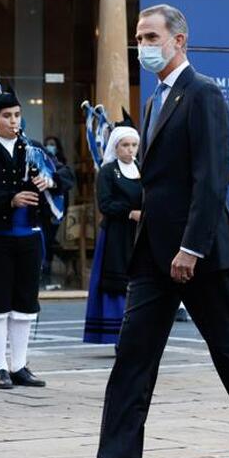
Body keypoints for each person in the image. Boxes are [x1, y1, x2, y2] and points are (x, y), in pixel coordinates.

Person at [65, 4, 229, 458]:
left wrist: (192, 247)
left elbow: (211, 179)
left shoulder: (202, 93)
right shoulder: (154, 99)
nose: (142, 44)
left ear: (179, 39)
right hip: (152, 253)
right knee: (133, 353)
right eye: (139, 37)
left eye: (150, 35)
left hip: (198, 252)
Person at [0, 88, 74, 389]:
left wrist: (50, 180)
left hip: (30, 236)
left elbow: (67, 176)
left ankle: (19, 366)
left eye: (16, 115)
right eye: (6, 116)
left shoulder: (33, 149)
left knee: (26, 302)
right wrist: (9, 199)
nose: (13, 121)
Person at [83, 125, 142, 346]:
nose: (130, 150)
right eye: (125, 145)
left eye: (134, 145)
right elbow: (105, 204)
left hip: (137, 234)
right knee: (117, 284)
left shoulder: (142, 168)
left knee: (139, 283)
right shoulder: (108, 171)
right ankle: (118, 336)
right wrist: (129, 212)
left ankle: (137, 334)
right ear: (115, 147)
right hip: (115, 236)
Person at [41, 135, 70, 289]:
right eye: (47, 144)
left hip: (56, 208)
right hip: (43, 209)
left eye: (52, 144)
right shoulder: (41, 160)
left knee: (49, 239)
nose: (49, 146)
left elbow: (65, 189)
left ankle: (47, 266)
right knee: (46, 239)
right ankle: (46, 267)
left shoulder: (61, 164)